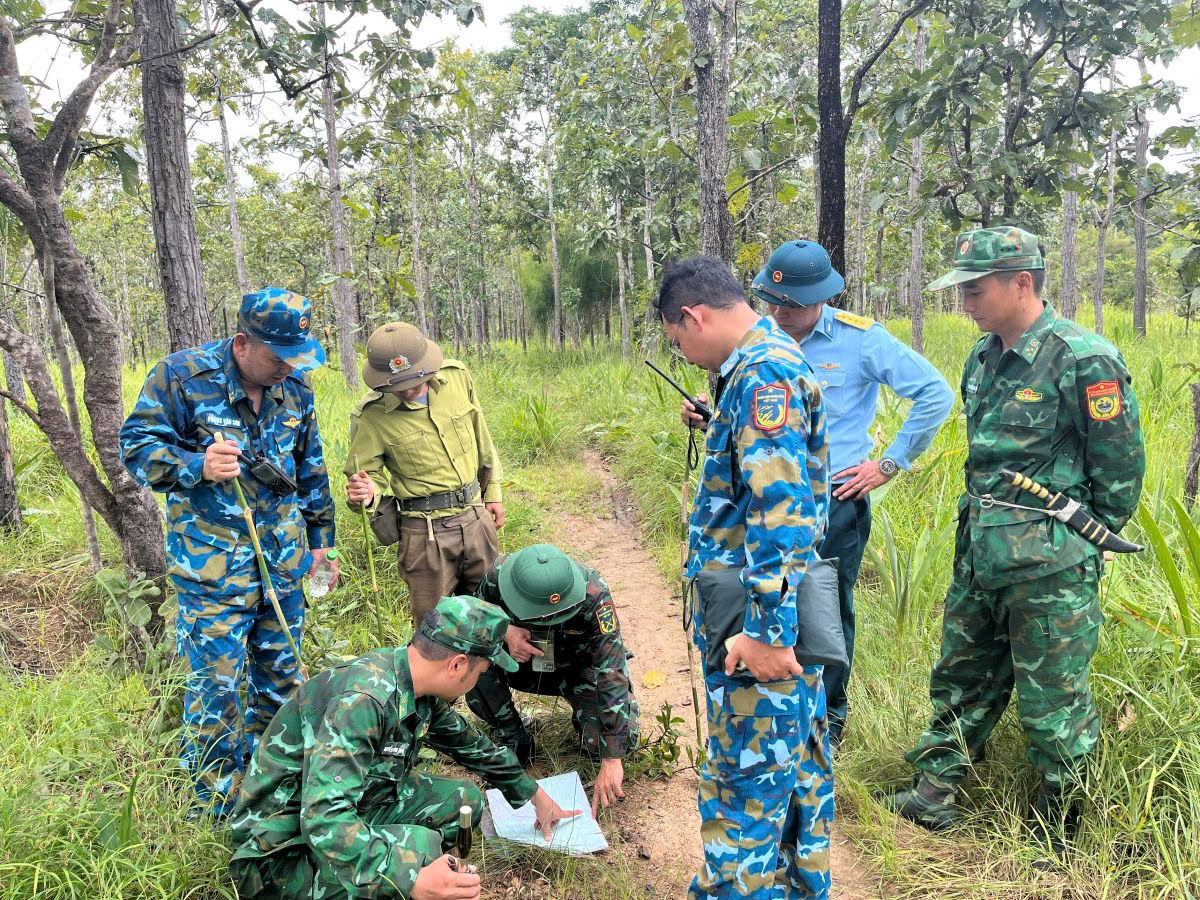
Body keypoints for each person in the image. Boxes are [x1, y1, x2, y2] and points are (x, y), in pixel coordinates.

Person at [876, 227, 1145, 852]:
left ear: (1021, 282)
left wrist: (1079, 540)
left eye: (975, 289)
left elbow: (1120, 469)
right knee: (961, 673)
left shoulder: (1084, 358)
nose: (964, 302)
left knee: (1054, 696)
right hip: (981, 550)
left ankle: (1058, 826)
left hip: (1049, 563)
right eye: (962, 290)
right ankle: (935, 792)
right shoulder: (984, 356)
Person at [684, 239, 954, 747]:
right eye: (775, 302)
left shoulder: (861, 340)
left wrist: (888, 463)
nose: (783, 313)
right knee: (764, 601)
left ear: (823, 299)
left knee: (823, 610)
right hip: (760, 511)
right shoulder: (753, 345)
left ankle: (827, 718)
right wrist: (708, 414)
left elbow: (935, 392)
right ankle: (772, 703)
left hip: (833, 501)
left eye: (796, 305)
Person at [120, 288, 337, 817]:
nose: (288, 368)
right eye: (278, 357)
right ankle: (214, 807)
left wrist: (321, 543)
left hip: (282, 568)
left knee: (283, 682)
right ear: (242, 343)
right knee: (216, 691)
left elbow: (310, 467)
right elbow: (134, 446)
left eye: (296, 357)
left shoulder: (296, 391)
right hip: (213, 571)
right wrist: (195, 466)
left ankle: (278, 789)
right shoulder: (181, 378)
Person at [658, 255, 832, 899]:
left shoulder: (764, 376)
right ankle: (796, 886)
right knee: (796, 767)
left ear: (694, 316)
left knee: (746, 778)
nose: (686, 355)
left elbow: (781, 515)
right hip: (767, 607)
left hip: (757, 620)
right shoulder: (760, 369)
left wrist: (765, 632)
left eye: (681, 342)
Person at [229, 595, 580, 900]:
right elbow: (325, 820)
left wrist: (533, 793)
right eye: (482, 671)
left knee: (465, 803)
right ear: (457, 665)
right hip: (280, 852)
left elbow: (472, 746)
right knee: (420, 847)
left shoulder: (414, 682)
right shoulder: (363, 701)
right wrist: (409, 877)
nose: (478, 682)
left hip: (352, 804)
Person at [345, 323, 503, 625]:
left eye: (415, 381)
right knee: (434, 632)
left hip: (476, 519)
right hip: (424, 535)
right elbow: (367, 479)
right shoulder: (370, 416)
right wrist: (364, 495)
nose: (407, 391)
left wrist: (492, 492)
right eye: (396, 386)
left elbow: (482, 437)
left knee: (493, 618)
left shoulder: (457, 377)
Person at [465, 543, 639, 814]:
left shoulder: (594, 593)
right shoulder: (498, 577)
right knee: (472, 664)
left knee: (616, 740)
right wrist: (507, 632)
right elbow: (474, 619)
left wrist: (612, 755)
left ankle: (584, 724)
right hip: (521, 664)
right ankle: (514, 735)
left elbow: (612, 671)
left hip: (577, 670)